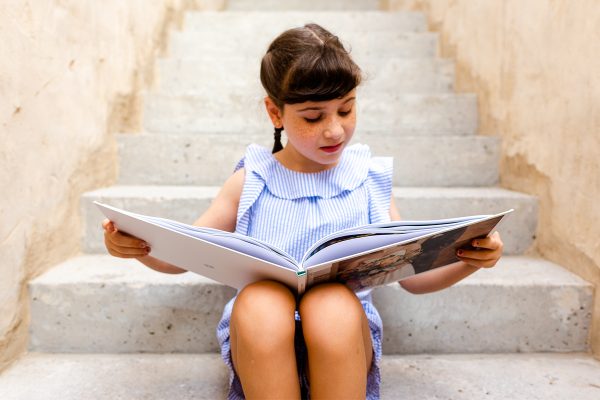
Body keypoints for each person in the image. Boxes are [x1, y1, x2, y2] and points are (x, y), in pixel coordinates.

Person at [102, 23, 504, 400]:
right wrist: (140, 248)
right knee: (262, 300)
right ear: (275, 114)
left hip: (342, 340)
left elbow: (414, 279)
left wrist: (471, 259)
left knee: (331, 301)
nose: (334, 130)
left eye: (345, 110)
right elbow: (184, 255)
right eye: (313, 117)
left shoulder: (366, 177)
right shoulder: (253, 179)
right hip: (260, 341)